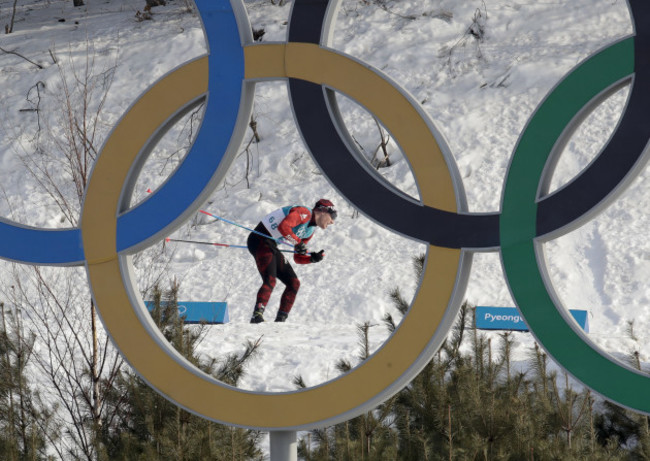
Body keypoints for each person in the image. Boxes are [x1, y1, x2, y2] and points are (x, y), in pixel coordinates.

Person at [247, 199, 337, 323]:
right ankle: (256, 315)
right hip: (260, 239)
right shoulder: (303, 212)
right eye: (332, 216)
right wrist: (298, 242)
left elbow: (297, 257)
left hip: (271, 244)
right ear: (323, 211)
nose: (332, 221)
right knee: (270, 279)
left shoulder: (310, 231)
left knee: (294, 283)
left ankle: (280, 321)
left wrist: (312, 258)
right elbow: (283, 227)